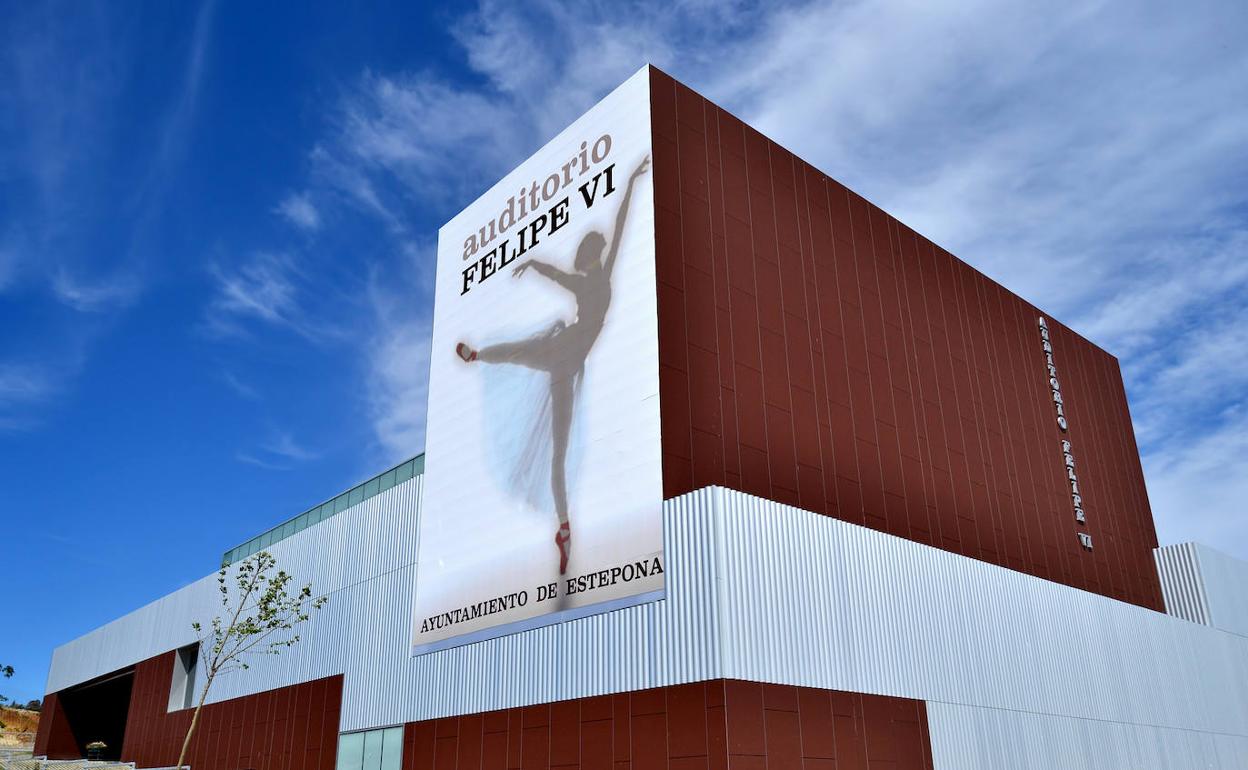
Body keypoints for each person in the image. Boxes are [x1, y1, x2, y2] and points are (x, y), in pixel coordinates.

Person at [455, 155, 650, 575]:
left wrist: (632, 181)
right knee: (518, 351)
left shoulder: (598, 277)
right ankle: (476, 356)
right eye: (591, 254)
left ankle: (564, 529)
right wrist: (533, 264)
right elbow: (557, 273)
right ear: (591, 256)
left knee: (558, 453)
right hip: (564, 352)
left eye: (592, 253)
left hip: (566, 363)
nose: (593, 257)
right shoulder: (588, 280)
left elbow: (619, 226)